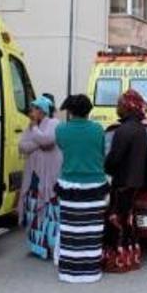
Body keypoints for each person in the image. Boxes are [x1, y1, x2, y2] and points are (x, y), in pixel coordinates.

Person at [55, 94, 109, 283]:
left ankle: (69, 272)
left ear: (70, 111)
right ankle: (90, 272)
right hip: (95, 186)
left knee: (71, 230)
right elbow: (101, 152)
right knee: (92, 231)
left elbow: (62, 147)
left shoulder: (61, 130)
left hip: (69, 185)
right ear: (89, 111)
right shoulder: (98, 129)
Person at [103, 90, 147, 273]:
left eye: (119, 105)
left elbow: (114, 158)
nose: (117, 108)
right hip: (135, 181)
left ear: (127, 107)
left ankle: (117, 262)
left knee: (115, 222)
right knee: (128, 222)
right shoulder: (140, 128)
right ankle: (132, 259)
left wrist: (106, 167)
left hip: (122, 182)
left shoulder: (123, 130)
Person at [18, 96, 62, 260]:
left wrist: (36, 132)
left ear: (42, 110)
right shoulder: (30, 127)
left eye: (34, 109)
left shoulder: (54, 123)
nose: (31, 112)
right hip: (34, 176)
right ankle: (37, 247)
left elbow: (48, 140)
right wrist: (38, 141)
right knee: (33, 210)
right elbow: (22, 145)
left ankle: (50, 247)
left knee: (51, 213)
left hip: (50, 176)